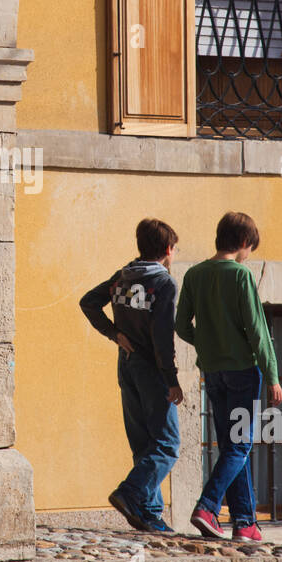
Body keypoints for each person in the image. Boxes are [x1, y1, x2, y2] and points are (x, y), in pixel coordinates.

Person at [175, 211, 282, 542]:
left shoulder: (195, 274)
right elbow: (257, 330)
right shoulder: (240, 276)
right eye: (250, 248)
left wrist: (207, 345)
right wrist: (273, 375)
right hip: (242, 372)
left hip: (213, 371)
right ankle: (207, 507)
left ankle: (245, 522)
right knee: (240, 444)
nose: (249, 255)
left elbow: (181, 326)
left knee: (232, 446)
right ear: (242, 243)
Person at [79, 218, 184, 534]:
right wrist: (171, 379)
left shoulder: (122, 278)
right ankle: (131, 492)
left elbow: (88, 302)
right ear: (168, 250)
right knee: (166, 444)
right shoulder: (163, 284)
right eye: (175, 249)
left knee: (144, 443)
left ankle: (149, 513)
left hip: (126, 365)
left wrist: (114, 334)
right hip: (152, 369)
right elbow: (162, 337)